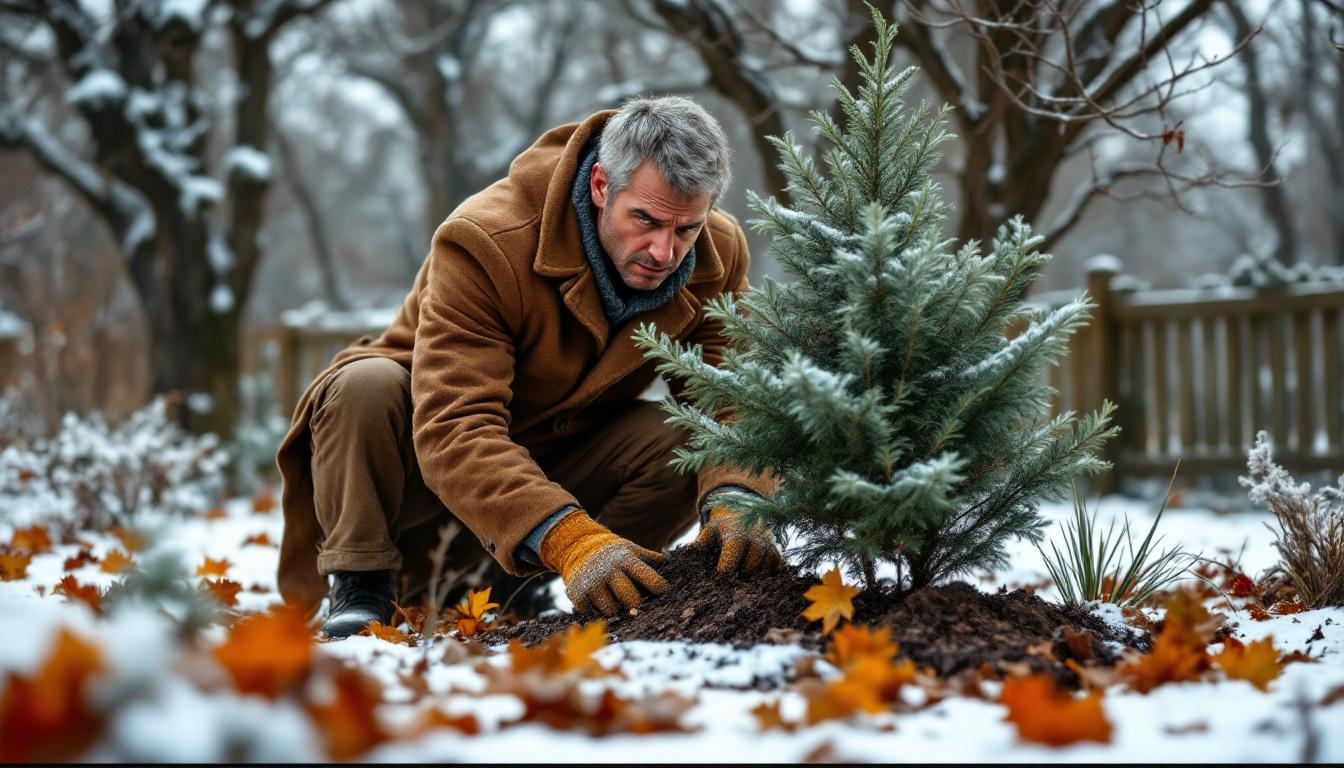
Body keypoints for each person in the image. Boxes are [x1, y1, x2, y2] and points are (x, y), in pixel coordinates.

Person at [275, 96, 781, 639]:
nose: (664, 252)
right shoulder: (486, 240)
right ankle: (362, 584)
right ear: (601, 186)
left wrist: (737, 494)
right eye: (645, 220)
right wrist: (570, 539)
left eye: (686, 229)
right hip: (421, 470)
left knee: (679, 444)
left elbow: (727, 393)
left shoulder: (716, 251)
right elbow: (455, 425)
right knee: (363, 385)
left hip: (559, 454)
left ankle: (527, 584)